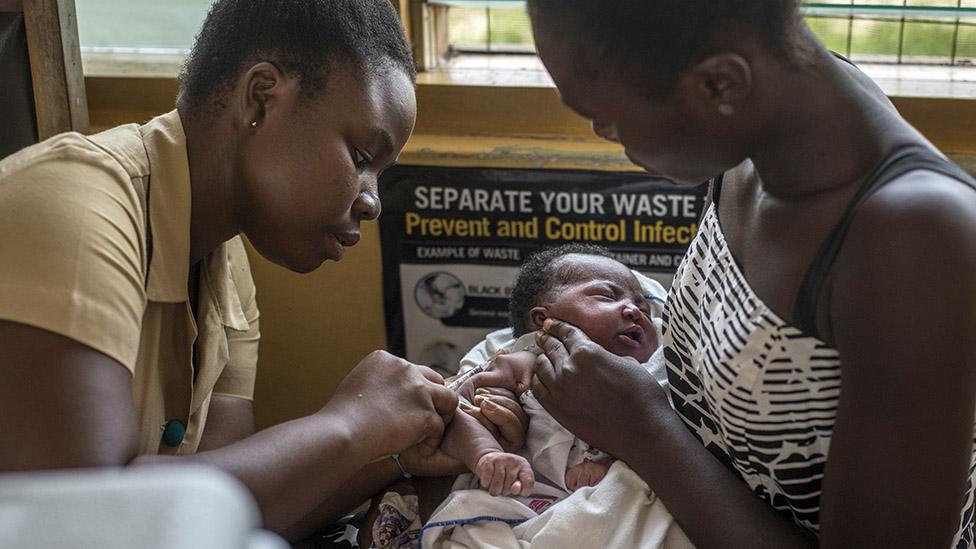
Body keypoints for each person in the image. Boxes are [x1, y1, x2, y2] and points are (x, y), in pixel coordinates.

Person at [0, 0, 525, 543]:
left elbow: (231, 512)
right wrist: (346, 425)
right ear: (262, 97)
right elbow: (85, 523)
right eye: (361, 155)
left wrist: (393, 452)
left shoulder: (223, 270)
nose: (372, 204)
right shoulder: (75, 208)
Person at [524, 1, 976, 548]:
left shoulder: (914, 241)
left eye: (610, 116)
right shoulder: (755, 135)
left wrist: (643, 428)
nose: (601, 131)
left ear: (720, 85)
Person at [363, 244, 665, 548]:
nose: (634, 311)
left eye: (644, 308)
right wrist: (486, 455)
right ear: (544, 321)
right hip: (520, 497)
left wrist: (610, 468)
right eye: (607, 296)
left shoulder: (651, 374)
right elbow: (458, 412)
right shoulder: (525, 361)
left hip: (597, 505)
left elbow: (662, 437)